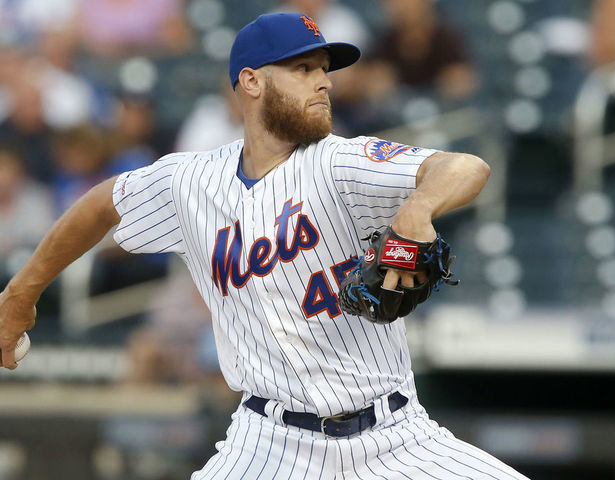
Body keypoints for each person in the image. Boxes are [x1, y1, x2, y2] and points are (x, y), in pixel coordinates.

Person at [0, 12, 529, 480]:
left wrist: (417, 208)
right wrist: (21, 294)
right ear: (251, 82)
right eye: (303, 70)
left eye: (325, 70)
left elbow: (466, 167)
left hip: (395, 438)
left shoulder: (340, 161)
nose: (322, 83)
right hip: (269, 445)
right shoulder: (192, 181)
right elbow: (101, 205)